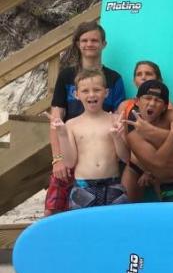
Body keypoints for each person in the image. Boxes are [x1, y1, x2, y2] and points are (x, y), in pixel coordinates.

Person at [45, 21, 125, 216]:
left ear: (103, 44)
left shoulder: (114, 78)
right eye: (85, 40)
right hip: (71, 146)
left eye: (94, 40)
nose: (89, 44)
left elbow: (119, 116)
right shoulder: (66, 76)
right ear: (78, 44)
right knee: (53, 210)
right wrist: (57, 159)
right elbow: (56, 119)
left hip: (104, 154)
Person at [48, 69, 129, 209]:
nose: (91, 94)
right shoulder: (71, 124)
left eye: (97, 89)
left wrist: (117, 137)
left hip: (113, 185)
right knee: (83, 229)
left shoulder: (116, 121)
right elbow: (69, 162)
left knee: (115, 228)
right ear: (76, 94)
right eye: (85, 91)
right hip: (82, 188)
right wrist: (61, 134)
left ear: (106, 93)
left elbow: (126, 158)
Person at [117, 61, 166, 202]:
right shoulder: (125, 106)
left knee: (166, 207)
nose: (143, 77)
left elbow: (166, 139)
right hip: (133, 165)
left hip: (159, 165)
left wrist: (150, 170)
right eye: (139, 74)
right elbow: (122, 138)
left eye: (148, 74)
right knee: (126, 207)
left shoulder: (166, 105)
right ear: (134, 81)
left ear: (158, 80)